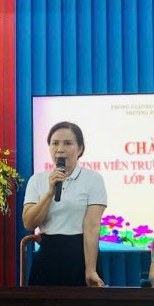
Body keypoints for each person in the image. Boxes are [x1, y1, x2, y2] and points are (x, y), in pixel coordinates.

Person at [23, 121, 106, 287]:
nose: (60, 149)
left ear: (80, 148)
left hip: (80, 255)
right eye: (55, 143)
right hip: (48, 254)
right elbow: (29, 223)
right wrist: (49, 193)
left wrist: (90, 270)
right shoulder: (37, 180)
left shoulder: (93, 179)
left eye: (67, 143)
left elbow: (91, 227)